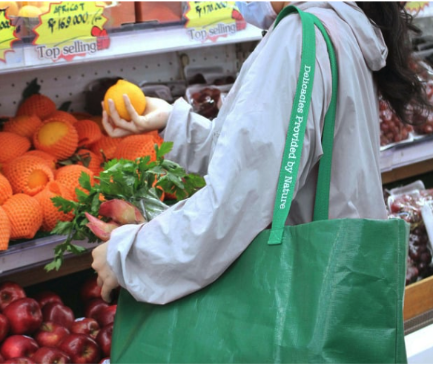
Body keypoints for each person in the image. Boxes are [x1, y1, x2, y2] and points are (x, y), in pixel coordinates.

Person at [92, 2, 429, 304]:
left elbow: (236, 204)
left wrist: (130, 254)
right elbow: (267, 158)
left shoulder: (300, 38)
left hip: (302, 299)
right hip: (339, 283)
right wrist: (172, 121)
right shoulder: (338, 25)